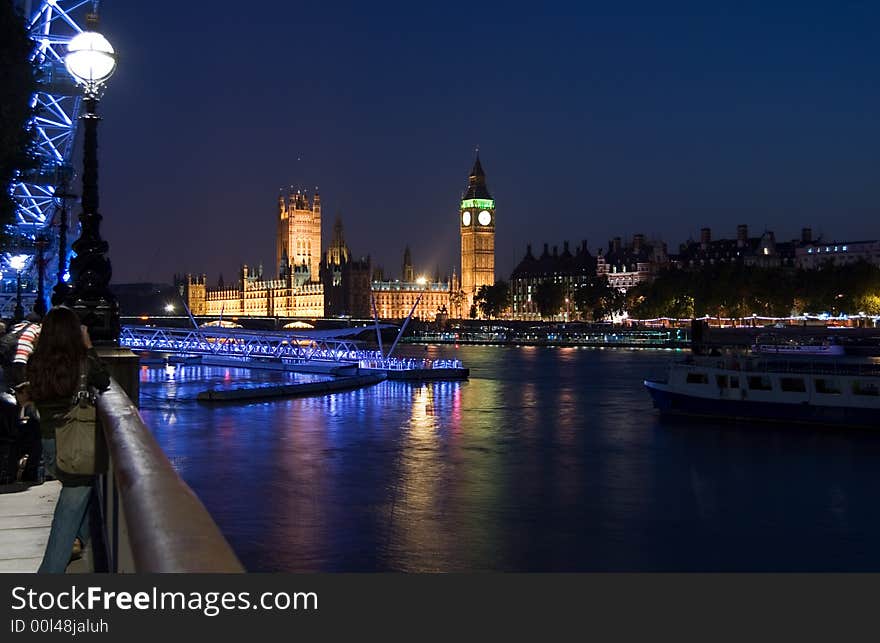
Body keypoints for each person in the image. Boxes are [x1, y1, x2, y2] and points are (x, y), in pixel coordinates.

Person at [28, 307, 109, 573]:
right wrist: (88, 347)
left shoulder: (36, 362)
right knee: (68, 511)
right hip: (75, 444)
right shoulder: (81, 362)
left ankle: (83, 541)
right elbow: (104, 380)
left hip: (49, 445)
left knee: (82, 499)